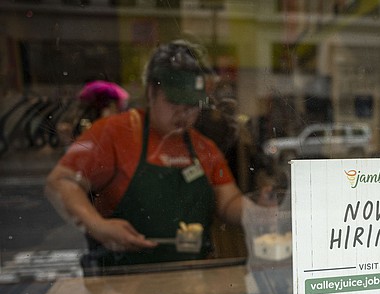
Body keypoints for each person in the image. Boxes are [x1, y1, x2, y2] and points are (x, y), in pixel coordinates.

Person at [45, 40, 246, 269]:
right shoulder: (115, 132)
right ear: (151, 92)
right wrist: (98, 226)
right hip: (124, 281)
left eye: (192, 104)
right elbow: (60, 182)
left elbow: (228, 201)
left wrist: (260, 212)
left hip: (193, 278)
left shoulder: (203, 147)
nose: (183, 113)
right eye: (173, 102)